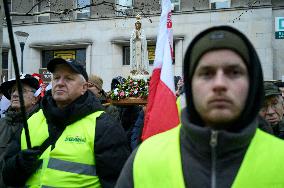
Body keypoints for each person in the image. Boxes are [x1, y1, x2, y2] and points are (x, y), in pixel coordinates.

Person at [116, 26, 284, 187]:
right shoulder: (144, 158)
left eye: (234, 72)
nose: (219, 84)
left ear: (252, 84)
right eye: (206, 73)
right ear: (190, 85)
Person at [2, 58, 130, 188]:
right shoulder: (32, 120)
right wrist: (18, 164)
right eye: (56, 78)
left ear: (84, 87)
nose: (60, 83)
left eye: (68, 78)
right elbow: (7, 176)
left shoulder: (104, 126)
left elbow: (118, 183)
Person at [0, 74, 40, 188]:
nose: (15, 94)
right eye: (12, 91)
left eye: (22, 91)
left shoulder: (42, 125)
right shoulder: (1, 124)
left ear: (35, 98)